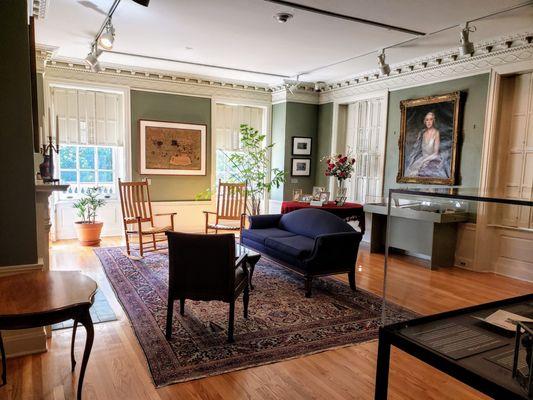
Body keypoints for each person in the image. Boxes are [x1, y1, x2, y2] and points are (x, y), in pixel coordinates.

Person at [405, 112, 448, 178]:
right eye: (427, 120)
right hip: (423, 158)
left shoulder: (436, 133)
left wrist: (424, 161)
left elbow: (436, 154)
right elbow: (420, 150)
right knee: (410, 171)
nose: (428, 122)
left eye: (431, 119)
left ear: (434, 121)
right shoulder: (423, 133)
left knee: (424, 173)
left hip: (433, 159)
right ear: (425, 121)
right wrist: (422, 161)